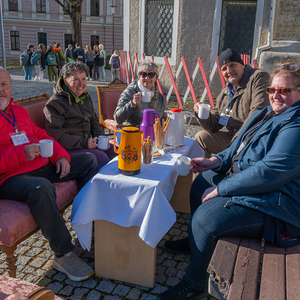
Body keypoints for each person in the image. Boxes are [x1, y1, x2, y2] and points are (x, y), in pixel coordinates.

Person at [159, 63, 300, 300]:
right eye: (272, 90)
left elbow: (270, 172)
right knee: (201, 182)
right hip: (250, 184)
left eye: (285, 91)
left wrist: (222, 188)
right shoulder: (265, 113)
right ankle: (197, 243)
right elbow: (235, 148)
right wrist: (214, 161)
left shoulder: (295, 125)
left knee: (206, 219)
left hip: (277, 202)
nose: (276, 95)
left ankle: (194, 283)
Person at [0, 67, 99, 282]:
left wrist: (61, 156)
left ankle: (88, 221)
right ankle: (63, 253)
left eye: (4, 84)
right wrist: (21, 153)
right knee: (41, 187)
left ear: (10, 87)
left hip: (40, 165)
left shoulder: (17, 111)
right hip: (10, 178)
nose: (1, 90)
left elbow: (40, 134)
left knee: (88, 160)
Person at [194, 48, 270, 158]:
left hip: (253, 140)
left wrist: (235, 143)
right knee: (201, 137)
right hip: (234, 139)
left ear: (242, 65)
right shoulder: (227, 91)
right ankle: (203, 173)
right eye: (224, 68)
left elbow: (258, 112)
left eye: (233, 65)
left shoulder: (258, 77)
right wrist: (201, 113)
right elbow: (213, 125)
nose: (229, 71)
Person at [43, 61, 117, 169]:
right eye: (76, 79)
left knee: (115, 153)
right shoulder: (54, 104)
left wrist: (100, 137)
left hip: (86, 143)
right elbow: (57, 136)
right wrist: (84, 142)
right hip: (68, 149)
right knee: (101, 158)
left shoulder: (86, 97)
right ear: (65, 80)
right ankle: (99, 185)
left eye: (84, 79)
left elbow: (94, 121)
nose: (81, 84)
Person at [113, 61, 165, 127]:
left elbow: (163, 119)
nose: (147, 78)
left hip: (153, 134)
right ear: (139, 77)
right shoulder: (130, 92)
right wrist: (133, 104)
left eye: (151, 75)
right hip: (133, 133)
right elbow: (117, 119)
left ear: (156, 78)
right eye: (143, 74)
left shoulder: (159, 97)